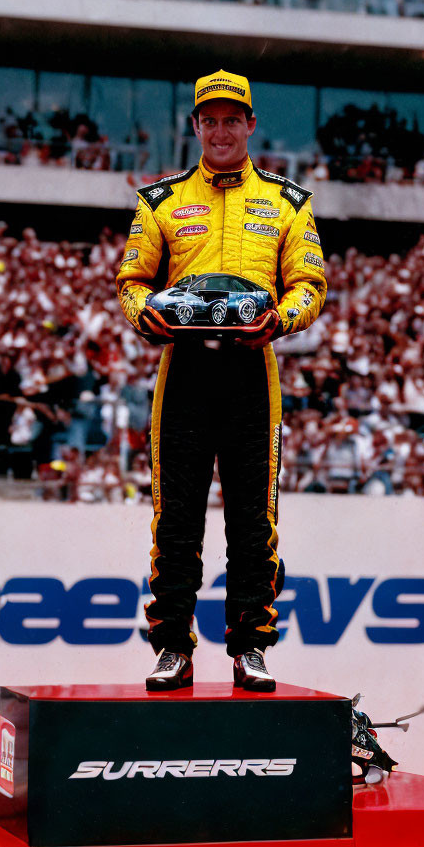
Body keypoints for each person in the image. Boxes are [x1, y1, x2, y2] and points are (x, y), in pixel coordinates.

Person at [116, 70, 327, 691]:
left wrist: (280, 320)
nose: (222, 129)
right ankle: (172, 647)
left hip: (251, 372)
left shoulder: (290, 201)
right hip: (182, 372)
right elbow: (132, 283)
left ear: (251, 124)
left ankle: (250, 649)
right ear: (196, 126)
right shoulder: (158, 199)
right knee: (175, 517)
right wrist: (146, 315)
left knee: (253, 519)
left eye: (233, 118)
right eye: (211, 119)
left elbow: (310, 285)